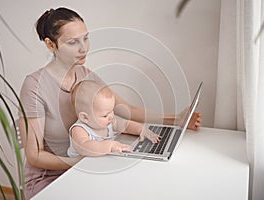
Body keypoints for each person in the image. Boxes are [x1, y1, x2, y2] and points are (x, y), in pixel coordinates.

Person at [18, 7, 202, 199]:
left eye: (86, 38)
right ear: (51, 45)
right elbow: (34, 155)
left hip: (85, 166)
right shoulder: (34, 86)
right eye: (73, 42)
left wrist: (178, 119)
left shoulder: (86, 76)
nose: (84, 48)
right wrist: (80, 161)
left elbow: (126, 109)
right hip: (49, 179)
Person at [67, 80, 161, 157]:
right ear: (84, 117)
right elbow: (85, 147)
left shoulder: (109, 122)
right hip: (81, 168)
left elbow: (126, 125)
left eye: (111, 111)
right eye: (105, 115)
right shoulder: (79, 130)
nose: (111, 116)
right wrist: (110, 145)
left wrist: (141, 130)